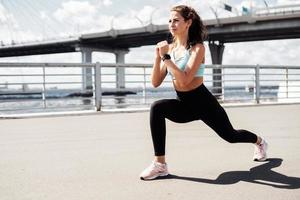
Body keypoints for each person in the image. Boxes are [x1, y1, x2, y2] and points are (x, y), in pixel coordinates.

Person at [139, 5, 268, 181]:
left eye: (176, 20)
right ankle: (160, 165)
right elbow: (155, 82)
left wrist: (166, 58)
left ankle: (260, 142)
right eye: (170, 21)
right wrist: (158, 57)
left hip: (204, 103)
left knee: (231, 136)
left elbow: (185, 79)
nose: (172, 24)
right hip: (184, 104)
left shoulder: (197, 48)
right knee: (157, 108)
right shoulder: (169, 49)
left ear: (188, 22)